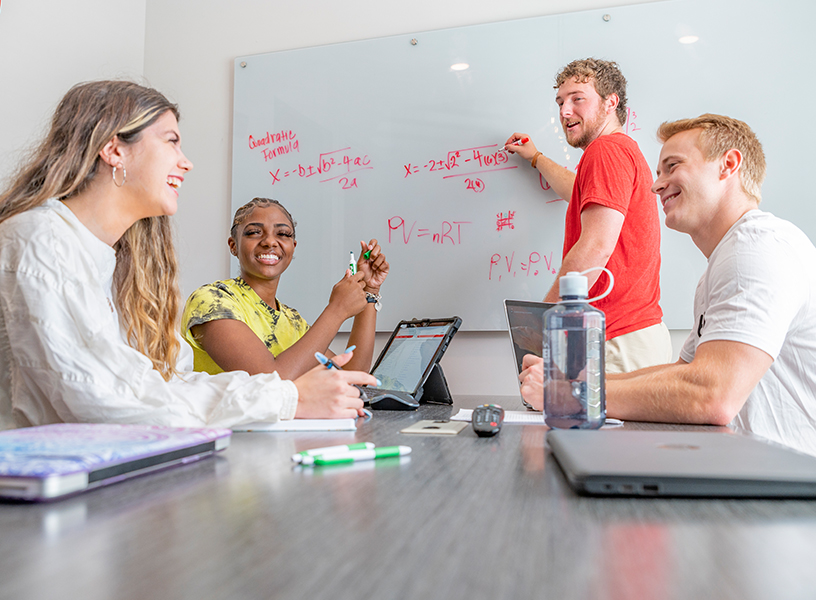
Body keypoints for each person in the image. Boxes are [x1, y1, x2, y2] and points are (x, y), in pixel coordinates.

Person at [0, 80, 376, 431]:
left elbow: (171, 380)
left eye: (283, 234)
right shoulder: (40, 240)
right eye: (171, 142)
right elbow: (99, 398)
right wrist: (286, 397)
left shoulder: (123, 265)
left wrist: (365, 303)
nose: (186, 162)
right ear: (114, 149)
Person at [521, 114, 816, 456]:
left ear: (728, 165)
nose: (656, 185)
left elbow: (711, 395)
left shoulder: (757, 248)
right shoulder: (727, 259)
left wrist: (571, 393)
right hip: (753, 472)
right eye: (659, 172)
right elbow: (685, 373)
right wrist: (567, 385)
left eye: (672, 166)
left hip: (787, 488)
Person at [505, 58, 671, 373]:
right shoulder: (621, 151)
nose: (564, 111)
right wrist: (537, 158)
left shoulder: (605, 151)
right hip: (633, 337)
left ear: (611, 102)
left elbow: (595, 248)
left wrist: (543, 325)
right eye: (560, 102)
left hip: (615, 338)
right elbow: (577, 190)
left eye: (577, 98)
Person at [181, 197, 389, 379]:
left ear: (293, 247)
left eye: (283, 234)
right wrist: (336, 310)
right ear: (233, 245)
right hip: (227, 425)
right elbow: (271, 384)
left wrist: (370, 290)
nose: (270, 241)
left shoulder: (292, 321)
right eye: (254, 232)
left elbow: (353, 378)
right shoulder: (211, 301)